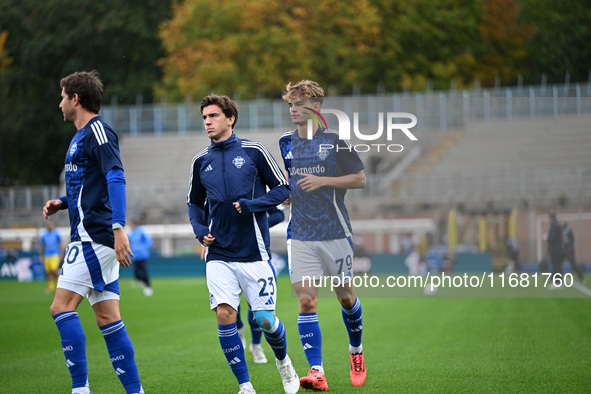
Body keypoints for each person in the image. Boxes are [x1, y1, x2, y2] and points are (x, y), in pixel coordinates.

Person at [187, 94, 298, 394]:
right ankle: (245, 386)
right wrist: (200, 230)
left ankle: (283, 361)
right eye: (204, 118)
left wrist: (253, 204)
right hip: (218, 252)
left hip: (255, 252)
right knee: (225, 314)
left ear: (230, 118)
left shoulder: (254, 151)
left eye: (213, 116)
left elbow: (284, 189)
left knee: (264, 319)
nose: (207, 122)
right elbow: (194, 203)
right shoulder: (200, 161)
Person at [43, 71, 143, 394]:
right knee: (108, 318)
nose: (59, 104)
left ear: (75, 99)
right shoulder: (79, 137)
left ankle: (80, 389)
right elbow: (90, 185)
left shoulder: (98, 131)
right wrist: (62, 202)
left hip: (93, 238)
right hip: (95, 236)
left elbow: (115, 176)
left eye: (62, 97)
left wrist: (118, 228)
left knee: (60, 307)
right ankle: (135, 391)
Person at [279, 80, 367, 390]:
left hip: (334, 232)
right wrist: (287, 195)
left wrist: (323, 180)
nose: (292, 109)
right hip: (300, 233)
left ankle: (356, 351)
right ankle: (316, 371)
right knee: (306, 302)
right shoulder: (285, 141)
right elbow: (291, 181)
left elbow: (359, 179)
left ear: (315, 108)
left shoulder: (336, 141)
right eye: (290, 104)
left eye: (298, 103)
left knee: (345, 297)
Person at [127, 219, 154, 296]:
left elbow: (148, 241)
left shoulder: (141, 231)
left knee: (144, 271)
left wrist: (143, 248)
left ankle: (148, 286)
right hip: (134, 256)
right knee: (136, 271)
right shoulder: (131, 233)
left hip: (142, 255)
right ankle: (139, 280)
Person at [39, 220, 64, 293]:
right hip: (47, 255)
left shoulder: (56, 233)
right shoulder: (44, 235)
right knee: (48, 272)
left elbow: (60, 243)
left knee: (54, 270)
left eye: (51, 225)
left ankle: (59, 283)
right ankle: (51, 287)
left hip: (55, 254)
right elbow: (42, 246)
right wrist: (41, 255)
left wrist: (61, 253)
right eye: (48, 225)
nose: (50, 226)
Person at [546, 213, 564, 289]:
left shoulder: (555, 226)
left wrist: (546, 238)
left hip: (555, 250)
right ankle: (558, 282)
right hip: (558, 249)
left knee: (556, 266)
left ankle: (557, 283)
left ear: (551, 217)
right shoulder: (557, 225)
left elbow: (553, 237)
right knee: (557, 266)